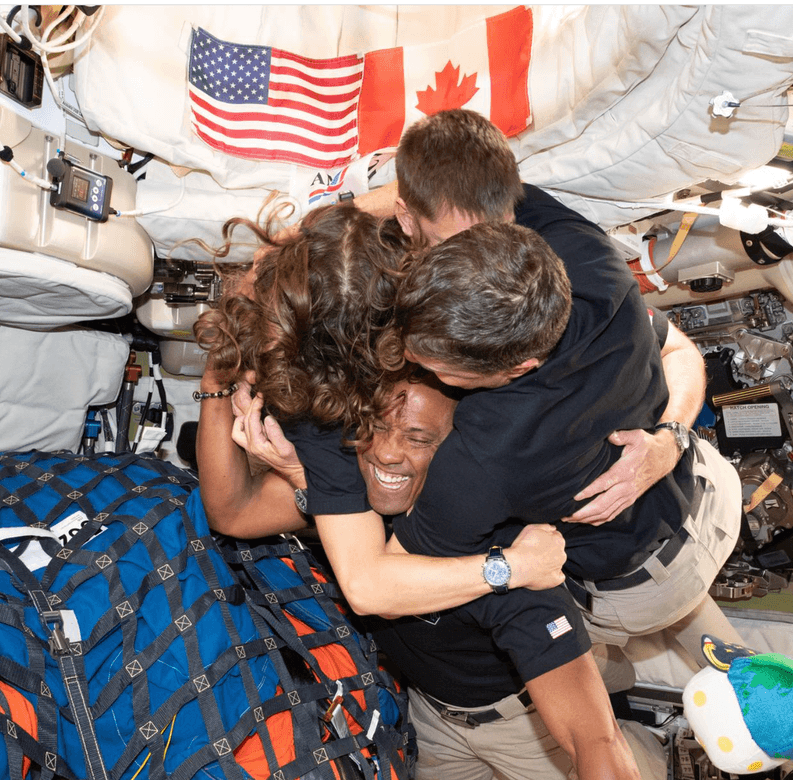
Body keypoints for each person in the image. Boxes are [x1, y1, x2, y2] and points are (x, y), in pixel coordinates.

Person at [232, 110, 743, 778]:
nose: (411, 365)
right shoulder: (586, 262)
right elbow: (682, 351)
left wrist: (308, 473)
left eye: (435, 367)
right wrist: (671, 439)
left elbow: (374, 584)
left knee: (601, 665)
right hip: (706, 495)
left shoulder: (484, 459)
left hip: (632, 591)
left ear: (508, 373)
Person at [193, 201, 572, 618]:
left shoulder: (479, 301)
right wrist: (216, 382)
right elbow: (232, 514)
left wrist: (517, 567)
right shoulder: (322, 423)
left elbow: (367, 589)